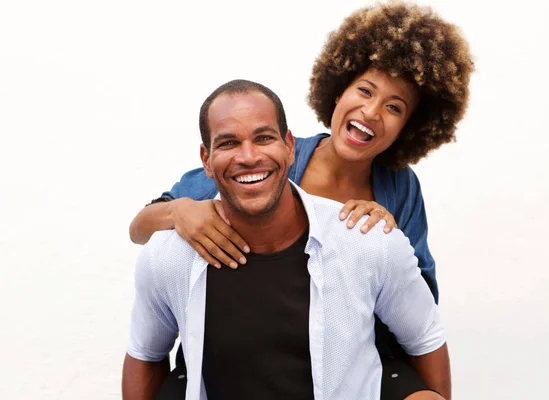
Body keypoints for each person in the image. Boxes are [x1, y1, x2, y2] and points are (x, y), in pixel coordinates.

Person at [128, 1, 472, 398]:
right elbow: (139, 228)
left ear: (410, 127)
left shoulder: (399, 188)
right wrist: (179, 211)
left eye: (394, 107)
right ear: (337, 89)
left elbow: (419, 301)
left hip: (357, 354)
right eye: (364, 90)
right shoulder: (267, 163)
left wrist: (385, 243)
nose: (372, 112)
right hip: (238, 340)